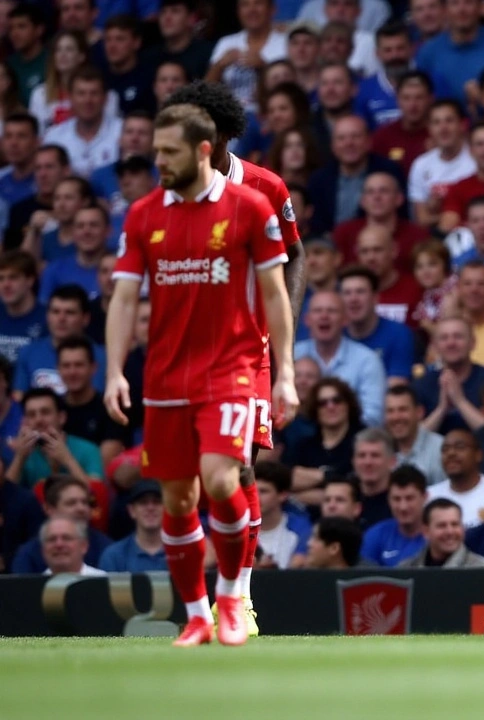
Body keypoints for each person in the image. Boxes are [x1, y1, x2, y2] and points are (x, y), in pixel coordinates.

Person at [104, 103, 299, 648]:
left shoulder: (251, 205)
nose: (159, 161)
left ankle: (234, 596)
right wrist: (115, 371)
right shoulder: (143, 214)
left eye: (169, 151)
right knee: (178, 499)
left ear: (203, 150)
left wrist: (283, 373)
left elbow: (277, 292)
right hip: (165, 376)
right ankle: (196, 615)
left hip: (230, 369)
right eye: (156, 151)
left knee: (223, 477)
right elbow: (123, 299)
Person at [163, 80, 308, 636]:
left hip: (247, 352)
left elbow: (295, 256)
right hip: (185, 356)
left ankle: (237, 599)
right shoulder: (174, 189)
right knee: (190, 483)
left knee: (240, 466)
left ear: (219, 135)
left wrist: (281, 332)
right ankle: (208, 605)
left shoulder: (264, 187)